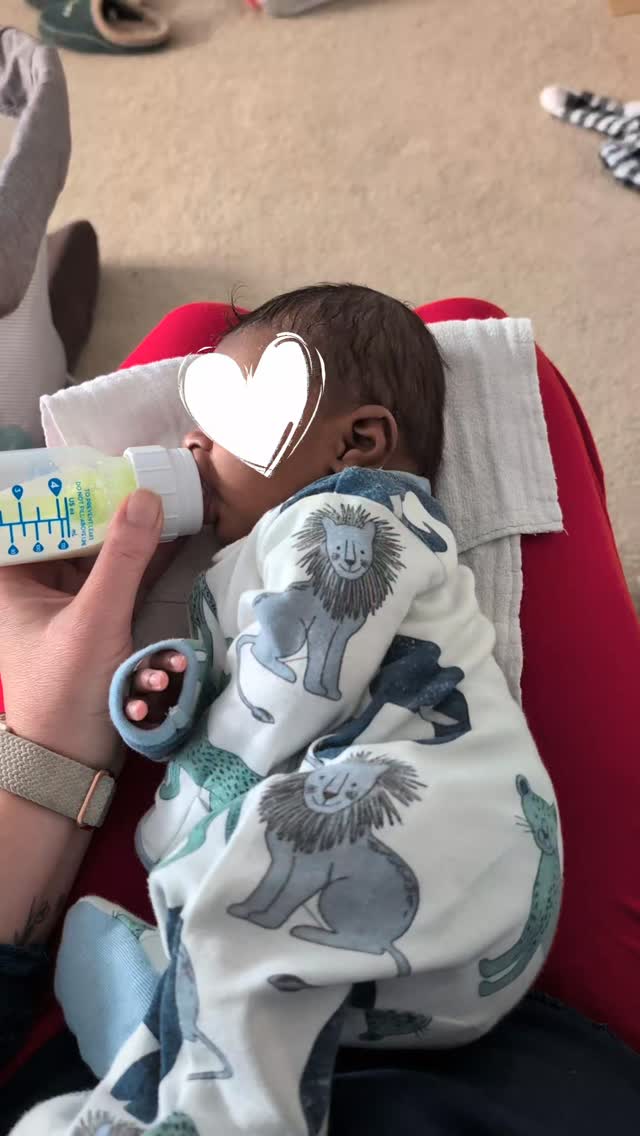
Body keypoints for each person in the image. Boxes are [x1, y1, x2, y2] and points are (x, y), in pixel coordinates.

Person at [1, 295, 638, 1136]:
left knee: (237, 899)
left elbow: (297, 683)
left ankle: (201, 1107)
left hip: (430, 817)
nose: (192, 442)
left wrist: (183, 812)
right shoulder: (250, 555)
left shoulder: (353, 516)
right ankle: (170, 1033)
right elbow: (262, 673)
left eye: (230, 416)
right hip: (402, 959)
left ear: (357, 443)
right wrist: (172, 689)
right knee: (240, 936)